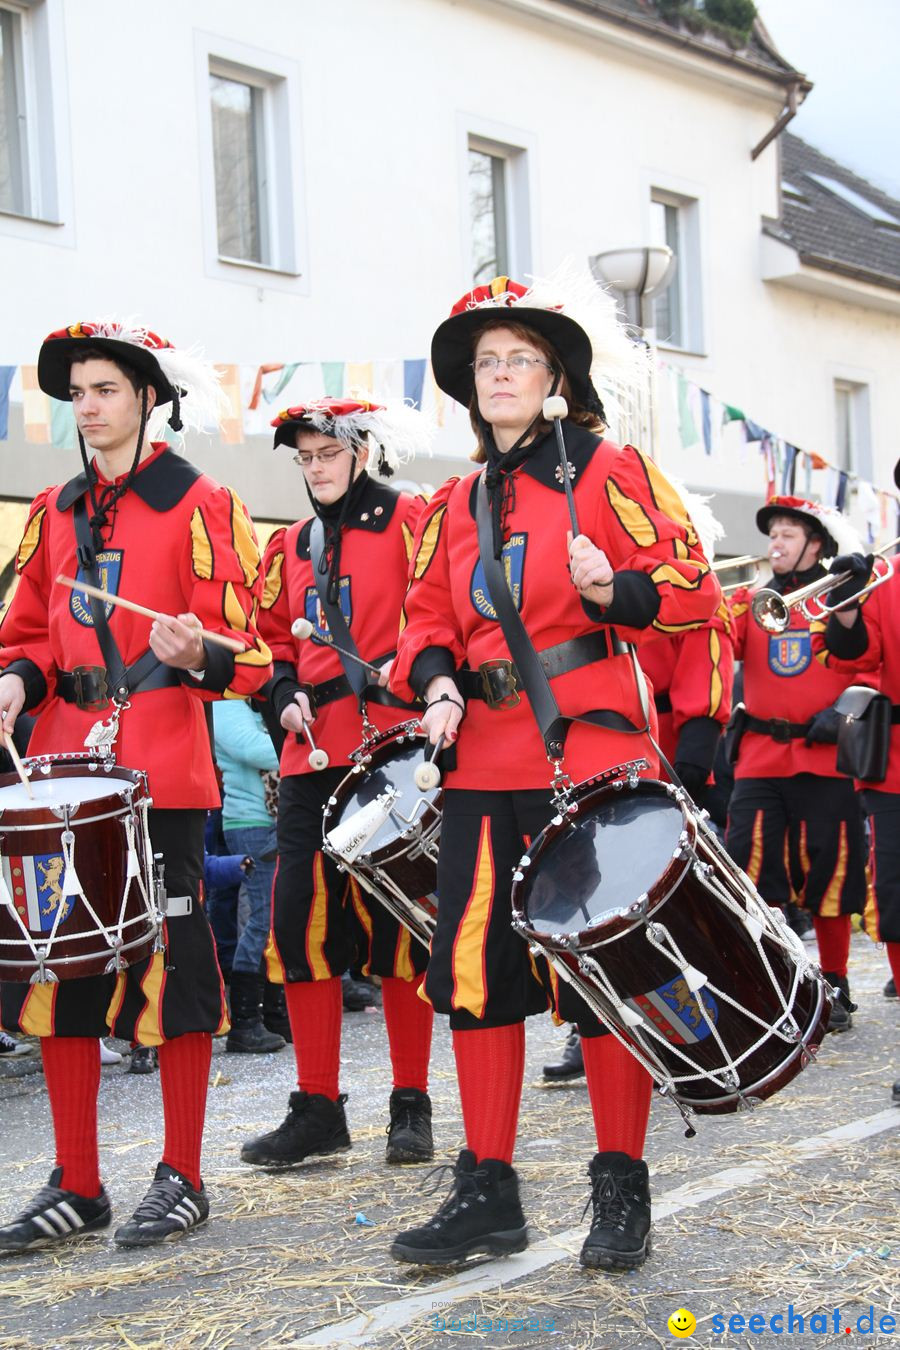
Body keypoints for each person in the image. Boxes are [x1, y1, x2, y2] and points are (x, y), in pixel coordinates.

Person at [388, 274, 721, 1270]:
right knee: (478, 976)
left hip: (591, 749)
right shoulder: (458, 500)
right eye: (486, 361)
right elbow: (425, 622)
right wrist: (438, 683)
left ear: (555, 376)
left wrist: (612, 587)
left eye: (518, 359)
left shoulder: (609, 468)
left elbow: (693, 589)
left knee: (609, 976)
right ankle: (488, 1191)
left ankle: (621, 1187)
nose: (499, 375)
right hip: (482, 760)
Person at [0, 319, 272, 1253]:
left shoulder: (202, 503)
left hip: (164, 764)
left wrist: (203, 653)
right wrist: (14, 683)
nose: (87, 406)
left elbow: (251, 654)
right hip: (62, 770)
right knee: (59, 965)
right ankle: (78, 1182)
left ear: (148, 398)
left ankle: (184, 1174)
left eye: (105, 388)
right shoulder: (53, 509)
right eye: (76, 391)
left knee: (180, 973)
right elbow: (31, 636)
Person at [240, 396, 437, 1171]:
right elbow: (267, 646)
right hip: (309, 762)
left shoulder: (414, 520)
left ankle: (411, 1103)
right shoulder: (289, 544)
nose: (316, 468)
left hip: (392, 753)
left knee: (400, 931)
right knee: (300, 927)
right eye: (306, 458)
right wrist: (280, 693)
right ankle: (318, 1105)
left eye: (328, 453)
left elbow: (439, 616)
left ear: (364, 453)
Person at [725, 496, 870, 1033]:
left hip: (823, 760)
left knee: (830, 873)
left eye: (788, 534)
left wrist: (845, 709)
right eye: (774, 535)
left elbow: (861, 657)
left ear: (815, 544)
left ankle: (835, 981)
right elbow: (721, 643)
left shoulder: (837, 597)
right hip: (761, 761)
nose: (775, 544)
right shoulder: (751, 600)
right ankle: (780, 983)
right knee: (752, 872)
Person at [808, 465, 900, 1094]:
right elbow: (854, 656)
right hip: (895, 768)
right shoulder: (887, 579)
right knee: (895, 904)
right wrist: (846, 599)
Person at [211, 697, 285, 1053]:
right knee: (263, 918)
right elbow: (254, 749)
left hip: (274, 819)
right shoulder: (226, 703)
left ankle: (272, 1012)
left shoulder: (254, 702)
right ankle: (245, 1022)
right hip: (251, 822)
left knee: (275, 918)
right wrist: (301, 740)